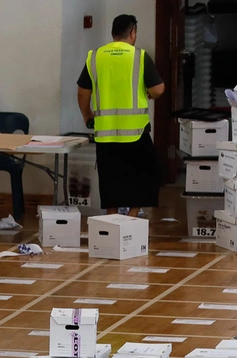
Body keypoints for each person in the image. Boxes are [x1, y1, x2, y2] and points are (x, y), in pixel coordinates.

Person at [77, 14, 165, 215]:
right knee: (144, 174)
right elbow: (159, 89)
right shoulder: (139, 56)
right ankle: (132, 217)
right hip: (136, 131)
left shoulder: (95, 56)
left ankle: (112, 218)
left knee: (110, 178)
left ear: (112, 33)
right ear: (133, 32)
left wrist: (87, 114)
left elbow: (83, 91)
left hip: (106, 133)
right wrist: (149, 94)